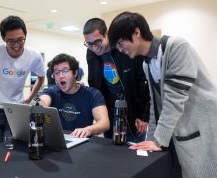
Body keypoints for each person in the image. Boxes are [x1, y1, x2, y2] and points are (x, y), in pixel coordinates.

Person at [108, 11, 217, 178]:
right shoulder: (147, 63)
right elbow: (155, 106)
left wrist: (158, 140)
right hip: (181, 126)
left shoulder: (176, 46)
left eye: (121, 43)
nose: (121, 50)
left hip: (201, 124)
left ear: (136, 33)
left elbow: (174, 100)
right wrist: (150, 140)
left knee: (203, 171)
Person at [0, 15, 45, 145]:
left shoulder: (34, 55)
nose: (16, 45)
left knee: (17, 147)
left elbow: (41, 77)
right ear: (3, 39)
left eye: (20, 40)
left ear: (25, 36)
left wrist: (29, 99)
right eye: (11, 41)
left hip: (17, 108)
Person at [83, 18, 150, 142]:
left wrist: (144, 116)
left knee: (134, 151)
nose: (95, 48)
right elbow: (94, 84)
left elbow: (145, 85)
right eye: (89, 44)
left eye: (97, 41)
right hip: (110, 113)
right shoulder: (91, 53)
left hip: (134, 114)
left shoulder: (125, 48)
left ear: (107, 34)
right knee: (113, 152)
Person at [39, 53, 110, 138]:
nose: (60, 76)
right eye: (57, 72)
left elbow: (104, 123)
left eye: (65, 71)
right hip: (57, 140)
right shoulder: (52, 91)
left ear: (75, 73)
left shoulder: (92, 94)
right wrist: (39, 105)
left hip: (81, 142)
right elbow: (43, 101)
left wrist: (89, 130)